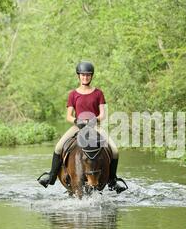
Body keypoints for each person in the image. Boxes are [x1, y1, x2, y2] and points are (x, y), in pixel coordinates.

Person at [37, 61, 127, 193]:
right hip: (78, 127)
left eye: (88, 75)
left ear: (91, 76)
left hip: (95, 127)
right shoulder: (73, 94)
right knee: (58, 147)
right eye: (83, 75)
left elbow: (102, 114)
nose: (85, 77)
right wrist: (76, 120)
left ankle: (112, 180)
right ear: (78, 76)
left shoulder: (98, 93)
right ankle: (51, 176)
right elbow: (68, 116)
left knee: (114, 150)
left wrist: (94, 119)